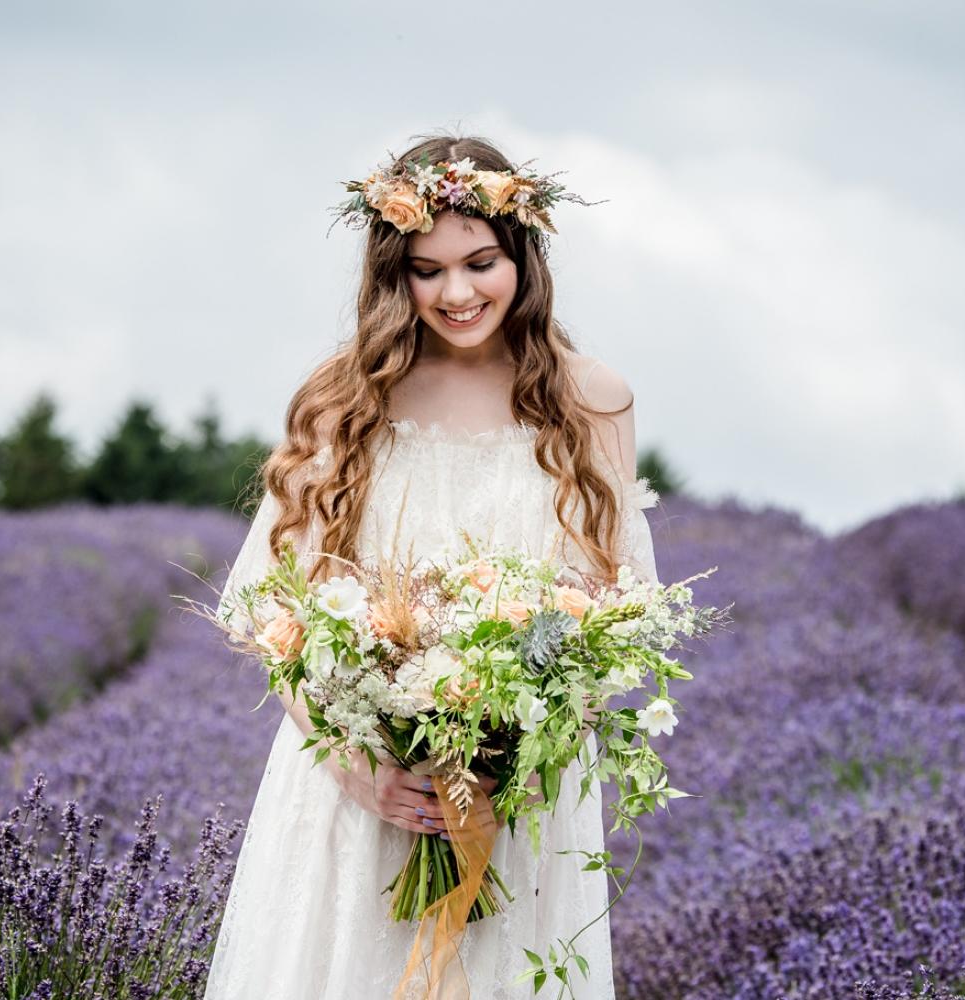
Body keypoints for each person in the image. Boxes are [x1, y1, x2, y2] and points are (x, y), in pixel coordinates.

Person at [202, 131, 661, 1000]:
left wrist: (510, 757)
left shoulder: (594, 399)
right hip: (360, 787)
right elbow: (272, 612)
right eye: (426, 269)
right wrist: (357, 767)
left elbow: (617, 609)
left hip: (520, 799)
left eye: (481, 261)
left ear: (524, 253)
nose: (457, 292)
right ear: (393, 274)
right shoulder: (346, 399)